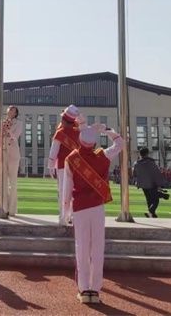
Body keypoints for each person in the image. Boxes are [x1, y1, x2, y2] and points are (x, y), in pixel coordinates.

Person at [63, 125, 123, 304]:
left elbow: (66, 189)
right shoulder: (103, 155)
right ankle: (95, 290)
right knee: (97, 248)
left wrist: (66, 212)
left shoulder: (71, 158)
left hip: (80, 208)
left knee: (81, 248)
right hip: (97, 206)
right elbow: (120, 144)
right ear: (94, 142)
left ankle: (84, 290)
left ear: (79, 141)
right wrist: (107, 130)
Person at [47, 105, 82, 224]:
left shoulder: (60, 133)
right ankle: (72, 216)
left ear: (64, 120)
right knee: (74, 192)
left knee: (63, 192)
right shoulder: (79, 132)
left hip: (63, 166)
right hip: (77, 166)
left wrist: (50, 166)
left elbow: (53, 151)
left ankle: (63, 218)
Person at [133, 147, 167, 218]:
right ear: (147, 154)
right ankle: (151, 210)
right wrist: (160, 184)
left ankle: (152, 214)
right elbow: (157, 173)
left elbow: (134, 174)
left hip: (143, 184)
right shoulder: (151, 162)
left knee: (149, 199)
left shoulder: (136, 164)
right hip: (151, 183)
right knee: (155, 199)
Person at [2, 105, 22, 216]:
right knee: (3, 182)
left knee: (13, 182)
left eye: (12, 110)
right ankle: (4, 208)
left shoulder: (19, 123)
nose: (10, 111)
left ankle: (13, 209)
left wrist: (8, 129)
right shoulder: (2, 122)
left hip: (13, 154)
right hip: (3, 153)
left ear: (15, 113)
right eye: (9, 109)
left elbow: (15, 136)